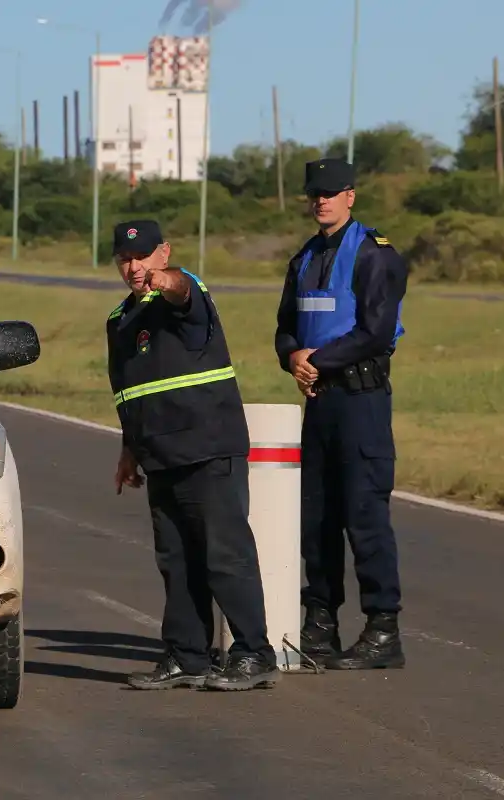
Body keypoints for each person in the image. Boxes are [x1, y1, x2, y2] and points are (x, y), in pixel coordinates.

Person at [108, 219, 279, 692]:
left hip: (207, 449)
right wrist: (128, 450)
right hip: (160, 455)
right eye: (124, 259)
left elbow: (182, 289)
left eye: (143, 257)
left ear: (164, 253)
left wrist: (166, 281)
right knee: (176, 560)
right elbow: (129, 391)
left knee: (226, 557)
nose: (134, 267)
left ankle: (254, 653)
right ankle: (188, 656)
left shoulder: (186, 294)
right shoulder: (120, 320)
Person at [273, 157, 409, 670]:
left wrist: (318, 360)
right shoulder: (304, 257)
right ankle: (320, 624)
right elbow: (285, 326)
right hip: (319, 403)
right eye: (315, 194)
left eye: (330, 193)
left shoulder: (375, 254)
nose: (321, 201)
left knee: (364, 516)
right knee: (318, 519)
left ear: (350, 196)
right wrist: (293, 357)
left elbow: (376, 332)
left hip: (361, 402)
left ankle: (382, 630)